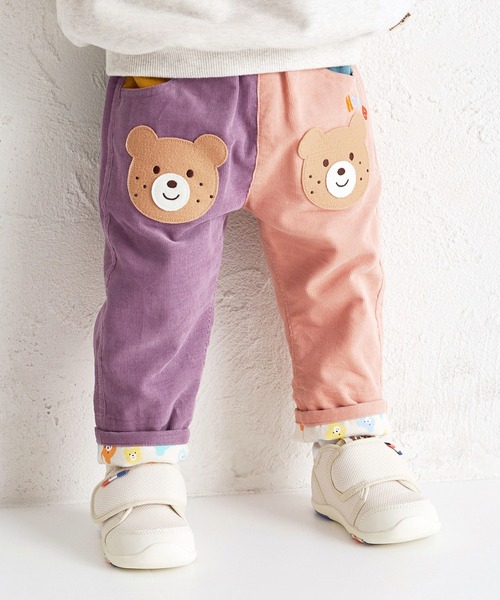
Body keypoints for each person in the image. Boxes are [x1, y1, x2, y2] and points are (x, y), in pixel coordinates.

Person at [56, 0, 441, 569]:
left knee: (337, 270)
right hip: (170, 60)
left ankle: (352, 434)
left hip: (316, 61)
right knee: (159, 291)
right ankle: (140, 461)